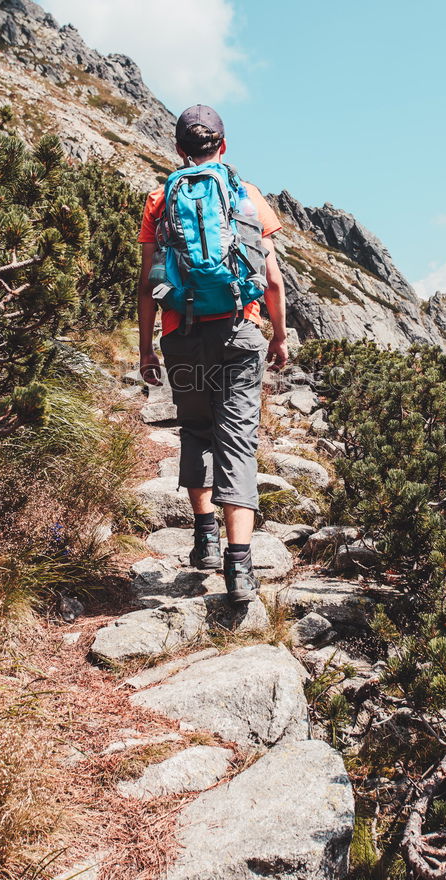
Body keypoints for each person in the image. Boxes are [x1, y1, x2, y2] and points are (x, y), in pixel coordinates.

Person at [137, 104, 288, 603]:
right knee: (238, 439)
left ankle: (204, 538)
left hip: (182, 334)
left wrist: (146, 350)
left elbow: (147, 285)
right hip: (239, 333)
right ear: (223, 146)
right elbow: (271, 279)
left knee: (197, 429)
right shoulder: (245, 196)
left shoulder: (160, 199)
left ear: (178, 149)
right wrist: (280, 337)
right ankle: (239, 567)